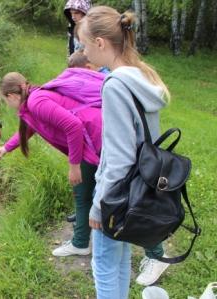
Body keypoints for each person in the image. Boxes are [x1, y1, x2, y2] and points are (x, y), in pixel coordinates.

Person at [77, 6, 172, 298]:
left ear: (100, 43)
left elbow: (118, 157)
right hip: (137, 190)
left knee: (104, 264)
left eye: (84, 45)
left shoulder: (115, 85)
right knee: (119, 257)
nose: (83, 52)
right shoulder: (140, 76)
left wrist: (98, 205)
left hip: (117, 193)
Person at [0, 71, 103, 257]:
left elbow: (73, 126)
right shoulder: (34, 100)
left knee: (85, 193)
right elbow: (31, 127)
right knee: (85, 193)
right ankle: (81, 241)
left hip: (95, 140)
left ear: (11, 95)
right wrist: (6, 148)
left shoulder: (36, 102)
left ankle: (81, 243)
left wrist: (74, 166)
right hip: (95, 138)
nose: (9, 105)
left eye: (6, 101)